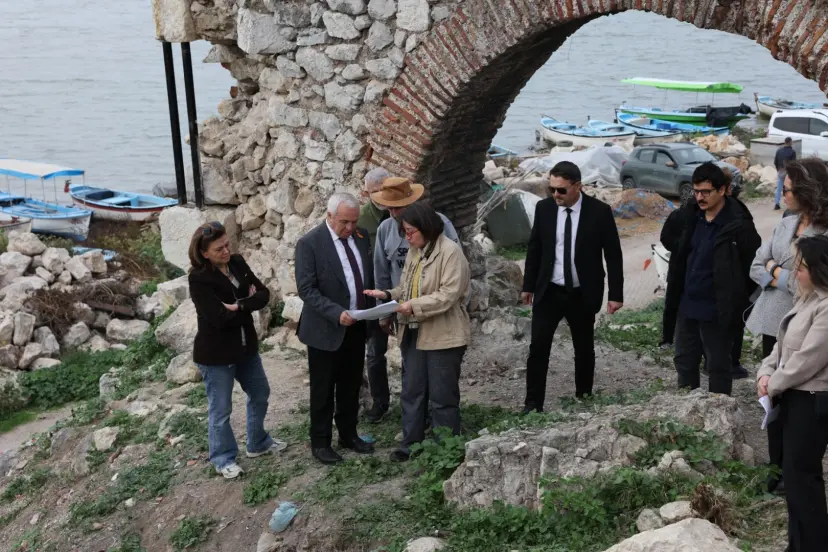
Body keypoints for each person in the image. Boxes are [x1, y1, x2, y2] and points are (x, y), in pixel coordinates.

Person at [364, 202, 470, 462]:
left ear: (426, 227)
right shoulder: (415, 251)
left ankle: (446, 449)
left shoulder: (450, 252)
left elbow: (448, 295)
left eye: (410, 231)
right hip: (412, 330)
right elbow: (406, 286)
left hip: (443, 334)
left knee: (442, 395)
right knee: (412, 390)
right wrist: (387, 295)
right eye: (404, 232)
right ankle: (410, 444)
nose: (407, 237)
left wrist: (413, 306)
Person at [747, 158, 828, 494]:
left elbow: (810, 283)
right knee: (773, 397)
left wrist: (774, 271)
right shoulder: (786, 223)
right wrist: (780, 273)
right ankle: (776, 467)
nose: (784, 194)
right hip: (774, 321)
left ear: (809, 191)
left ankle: (792, 472)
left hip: (810, 325)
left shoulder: (823, 234)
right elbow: (755, 264)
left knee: (797, 397)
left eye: (790, 189)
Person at [521, 161, 624, 411]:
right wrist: (528, 285)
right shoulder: (544, 209)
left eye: (561, 190)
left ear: (577, 186)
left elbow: (613, 254)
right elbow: (535, 248)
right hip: (549, 290)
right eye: (552, 189)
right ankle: (532, 405)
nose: (556, 194)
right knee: (538, 348)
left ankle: (584, 398)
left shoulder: (599, 212)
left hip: (582, 292)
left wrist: (616, 294)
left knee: (584, 349)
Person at [188, 221, 285, 479]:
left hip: (246, 347)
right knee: (221, 410)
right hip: (216, 354)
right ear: (204, 253)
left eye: (226, 245)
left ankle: (257, 442)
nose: (226, 251)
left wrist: (239, 306)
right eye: (218, 249)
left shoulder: (237, 262)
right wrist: (248, 303)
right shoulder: (199, 278)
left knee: (260, 392)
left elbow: (264, 294)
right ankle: (223, 458)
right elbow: (218, 318)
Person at [365, 176, 459, 423]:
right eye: (389, 208)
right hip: (404, 312)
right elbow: (381, 272)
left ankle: (439, 422)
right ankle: (417, 422)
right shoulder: (385, 229)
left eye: (398, 208)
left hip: (437, 313)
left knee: (439, 373)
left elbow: (456, 272)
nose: (393, 213)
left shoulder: (440, 224)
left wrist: (455, 307)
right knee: (412, 371)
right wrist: (384, 312)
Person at [756, 235, 828, 552]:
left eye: (800, 267)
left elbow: (808, 359)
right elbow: (781, 347)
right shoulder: (805, 299)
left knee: (804, 478)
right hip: (791, 396)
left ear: (818, 270)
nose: (794, 272)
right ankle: (797, 544)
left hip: (811, 399)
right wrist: (765, 372)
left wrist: (774, 384)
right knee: (793, 477)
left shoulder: (825, 307)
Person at [666, 162, 761, 396]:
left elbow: (752, 266)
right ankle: (687, 408)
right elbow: (669, 239)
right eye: (696, 191)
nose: (700, 197)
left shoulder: (738, 224)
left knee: (718, 365)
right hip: (688, 305)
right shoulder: (691, 216)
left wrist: (735, 296)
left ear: (722, 190)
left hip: (718, 310)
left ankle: (719, 411)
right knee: (685, 361)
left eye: (706, 192)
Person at [295, 193, 375, 465]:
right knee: (323, 389)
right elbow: (307, 289)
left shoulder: (361, 237)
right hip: (325, 328)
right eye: (344, 222)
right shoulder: (310, 243)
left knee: (351, 384)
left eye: (354, 222)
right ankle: (320, 442)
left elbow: (364, 276)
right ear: (329, 216)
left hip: (357, 324)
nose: (350, 227)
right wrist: (335, 313)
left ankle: (348, 434)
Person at [357, 167, 392, 248]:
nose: (381, 197)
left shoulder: (404, 211)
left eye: (384, 190)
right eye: (375, 192)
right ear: (367, 193)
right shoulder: (360, 220)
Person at [774, 137, 797, 210]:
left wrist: (778, 170)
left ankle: (777, 204)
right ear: (790, 142)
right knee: (789, 188)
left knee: (779, 188)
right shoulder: (792, 152)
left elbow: (775, 162)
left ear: (785, 142)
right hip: (788, 172)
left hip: (780, 171)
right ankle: (790, 205)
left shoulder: (779, 150)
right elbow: (794, 164)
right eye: (791, 142)